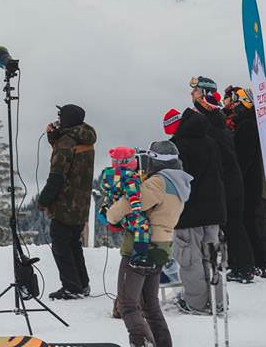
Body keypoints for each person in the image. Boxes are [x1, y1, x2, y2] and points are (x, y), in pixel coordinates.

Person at [107, 140, 192, 347]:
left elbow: (130, 203)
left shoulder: (158, 182)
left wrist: (111, 215)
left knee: (128, 304)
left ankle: (141, 343)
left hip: (141, 246)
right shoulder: (179, 182)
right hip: (162, 246)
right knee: (150, 305)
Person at [162, 106, 227, 315]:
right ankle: (218, 302)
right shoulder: (210, 141)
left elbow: (178, 182)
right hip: (214, 210)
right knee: (212, 257)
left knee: (190, 260)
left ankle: (197, 304)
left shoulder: (178, 146)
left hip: (189, 213)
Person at [190, 76, 253, 283]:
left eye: (196, 91)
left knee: (233, 224)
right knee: (232, 225)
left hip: (228, 181)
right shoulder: (216, 121)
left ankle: (244, 267)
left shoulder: (211, 122)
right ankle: (241, 265)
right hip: (228, 180)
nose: (192, 95)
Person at [38, 104, 96, 300]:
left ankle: (71, 286)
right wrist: (54, 136)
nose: (58, 119)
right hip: (81, 203)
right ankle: (82, 284)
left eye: (61, 116)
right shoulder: (84, 137)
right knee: (73, 243)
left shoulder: (66, 142)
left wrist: (44, 200)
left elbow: (57, 176)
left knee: (61, 245)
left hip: (65, 203)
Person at [225, 85, 266, 275]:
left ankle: (261, 261)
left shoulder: (247, 124)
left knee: (250, 221)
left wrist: (237, 175)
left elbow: (244, 156)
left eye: (238, 102)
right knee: (251, 221)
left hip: (248, 180)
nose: (234, 106)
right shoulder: (249, 122)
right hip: (252, 178)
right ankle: (260, 261)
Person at [99, 147, 153, 270]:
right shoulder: (131, 177)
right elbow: (132, 194)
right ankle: (140, 255)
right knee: (143, 225)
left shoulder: (106, 174)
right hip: (128, 214)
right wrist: (137, 207)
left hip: (110, 211)